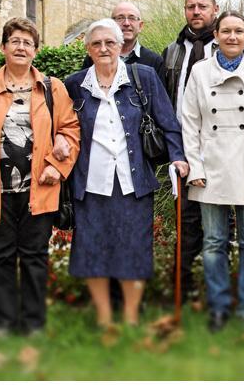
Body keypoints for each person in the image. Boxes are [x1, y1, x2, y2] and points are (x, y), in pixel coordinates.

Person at [64, 19, 189, 327]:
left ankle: (131, 317)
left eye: (110, 42)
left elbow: (168, 121)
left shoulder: (142, 77)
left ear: (121, 46)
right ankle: (105, 318)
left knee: (133, 251)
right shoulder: (74, 84)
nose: (104, 48)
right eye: (97, 43)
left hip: (133, 182)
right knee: (92, 250)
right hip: (90, 184)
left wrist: (177, 157)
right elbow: (62, 127)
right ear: (87, 48)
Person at [0, 17, 81, 337]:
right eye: (14, 41)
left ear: (36, 51)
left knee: (34, 257)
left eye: (27, 42)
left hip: (38, 189)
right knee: (0, 257)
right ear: (3, 47)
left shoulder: (52, 88)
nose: (20, 47)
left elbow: (70, 131)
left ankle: (33, 323)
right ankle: (2, 322)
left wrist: (59, 166)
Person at [180, 10, 244, 331]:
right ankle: (219, 306)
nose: (232, 37)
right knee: (213, 241)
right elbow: (190, 122)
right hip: (210, 165)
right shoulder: (199, 71)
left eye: (238, 31)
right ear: (216, 35)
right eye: (226, 31)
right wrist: (194, 165)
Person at [161, 0, 220, 300]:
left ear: (215, 10)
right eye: (191, 6)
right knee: (187, 220)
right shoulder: (172, 51)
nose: (196, 12)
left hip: (222, 149)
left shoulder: (232, 46)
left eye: (202, 6)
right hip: (184, 149)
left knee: (220, 220)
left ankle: (217, 289)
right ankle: (180, 288)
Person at [82, 1, 166, 83]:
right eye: (120, 18)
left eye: (132, 18)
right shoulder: (95, 57)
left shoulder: (154, 61)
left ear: (140, 26)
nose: (126, 23)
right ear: (112, 23)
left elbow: (159, 95)